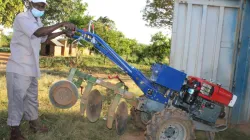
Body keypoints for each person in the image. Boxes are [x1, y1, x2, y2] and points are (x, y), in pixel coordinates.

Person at [5, 0, 76, 139]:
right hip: (18, 67)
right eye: (37, 5)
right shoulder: (22, 18)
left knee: (32, 98)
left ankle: (34, 124)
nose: (40, 8)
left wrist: (62, 32)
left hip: (31, 67)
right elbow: (38, 33)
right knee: (17, 99)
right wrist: (61, 23)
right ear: (30, 4)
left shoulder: (38, 22)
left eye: (42, 6)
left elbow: (45, 38)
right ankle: (14, 131)